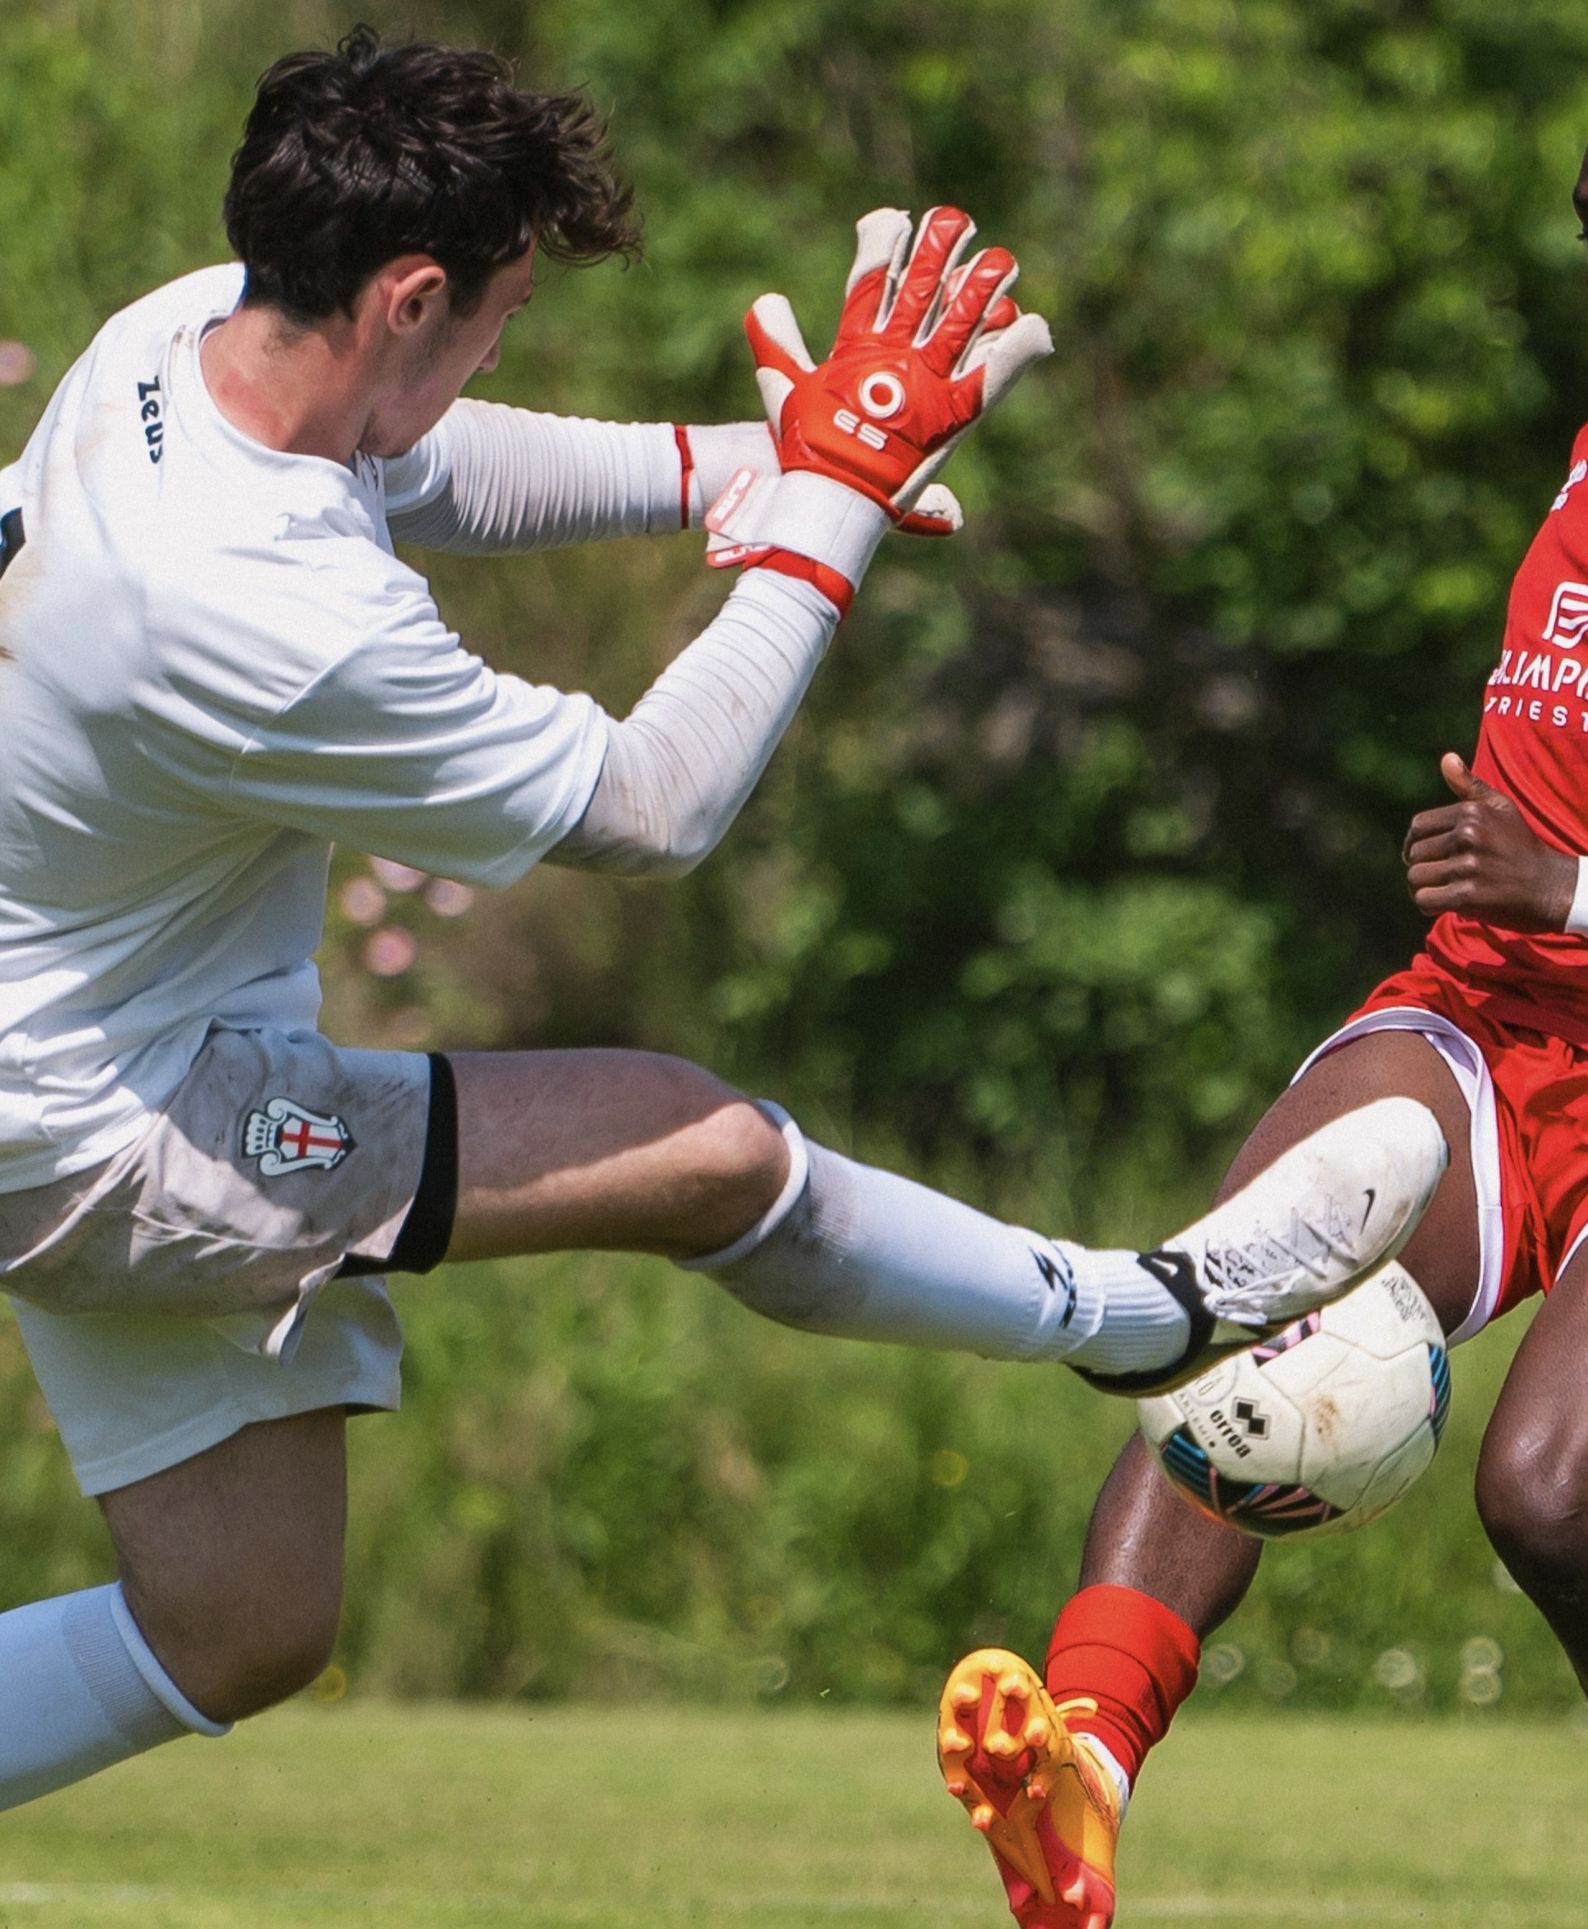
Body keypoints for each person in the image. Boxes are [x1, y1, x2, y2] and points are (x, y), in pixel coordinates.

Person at [0, 29, 1449, 1813]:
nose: (500, 349)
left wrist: (732, 471)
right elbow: (650, 807)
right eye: (499, 315)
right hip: (101, 1117)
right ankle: (1138, 1309)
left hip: (78, 1034)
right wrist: (827, 515)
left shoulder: (193, 332)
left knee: (242, 1619)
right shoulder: (250, 608)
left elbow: (415, 466)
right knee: (691, 1145)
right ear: (407, 295)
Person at [937, 15, 1588, 1927]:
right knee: (1230, 1297)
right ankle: (1079, 1767)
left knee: (1554, 1498)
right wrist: (1535, 899)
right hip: (1498, 1011)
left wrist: (1581, 881)